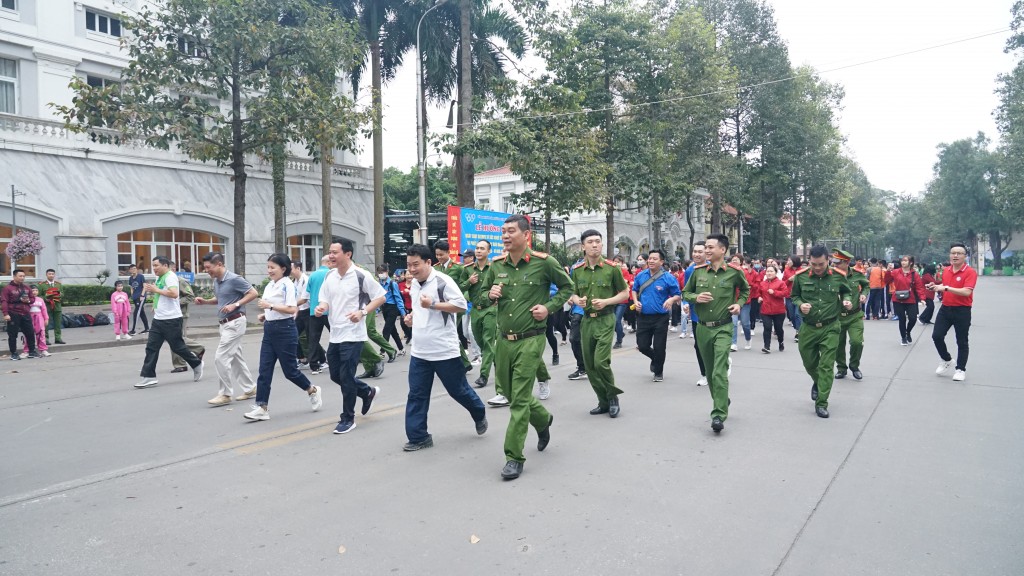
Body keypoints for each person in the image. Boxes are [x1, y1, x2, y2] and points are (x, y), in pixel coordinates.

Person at [484, 214, 572, 480]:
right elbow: (483, 295)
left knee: (520, 399)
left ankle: (513, 456)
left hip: (532, 339)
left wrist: (549, 307)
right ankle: (543, 420)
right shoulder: (496, 265)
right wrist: (490, 294)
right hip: (504, 341)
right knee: (510, 393)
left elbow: (568, 288)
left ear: (526, 235)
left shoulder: (544, 263)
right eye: (503, 232)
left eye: (511, 231)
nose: (505, 236)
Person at [401, 244, 488, 451]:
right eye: (408, 265)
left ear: (429, 262)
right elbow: (419, 308)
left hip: (444, 350)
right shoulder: (414, 284)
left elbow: (459, 305)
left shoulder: (443, 281)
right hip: (420, 351)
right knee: (416, 394)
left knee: (458, 390)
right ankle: (419, 436)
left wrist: (433, 304)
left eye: (416, 265)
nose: (411, 270)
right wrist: (412, 317)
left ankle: (478, 411)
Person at [314, 237, 387, 435]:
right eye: (330, 252)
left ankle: (348, 418)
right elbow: (325, 299)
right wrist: (322, 307)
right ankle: (366, 391)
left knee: (346, 377)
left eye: (335, 252)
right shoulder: (330, 276)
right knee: (336, 375)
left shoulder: (360, 275)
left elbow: (380, 296)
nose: (331, 255)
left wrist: (362, 312)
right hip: (335, 334)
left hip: (354, 335)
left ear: (348, 254)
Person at [243, 254, 322, 422]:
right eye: (268, 267)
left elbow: (292, 309)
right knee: (264, 370)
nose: (269, 270)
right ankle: (261, 407)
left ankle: (312, 389)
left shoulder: (287, 285)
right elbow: (274, 307)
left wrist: (270, 306)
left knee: (290, 372)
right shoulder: (270, 285)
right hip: (270, 329)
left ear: (283, 269)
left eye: (273, 267)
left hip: (285, 330)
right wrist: (266, 315)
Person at [682, 234, 749, 433]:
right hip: (702, 327)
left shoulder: (735, 272)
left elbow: (746, 290)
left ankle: (718, 414)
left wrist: (739, 304)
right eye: (706, 247)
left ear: (723, 250)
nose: (707, 251)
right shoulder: (698, 272)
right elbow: (685, 293)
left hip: (723, 327)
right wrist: (695, 297)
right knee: (711, 372)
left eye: (711, 247)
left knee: (719, 370)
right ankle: (722, 398)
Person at [569, 229, 630, 418]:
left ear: (602, 245)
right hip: (587, 320)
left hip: (606, 318)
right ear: (583, 246)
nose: (595, 245)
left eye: (598, 241)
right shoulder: (577, 270)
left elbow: (624, 293)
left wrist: (606, 302)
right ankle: (603, 401)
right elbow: (570, 293)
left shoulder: (612, 268)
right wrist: (576, 299)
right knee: (589, 365)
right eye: (590, 242)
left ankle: (613, 397)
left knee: (600, 362)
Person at [790, 245, 853, 419]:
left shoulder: (838, 277)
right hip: (808, 328)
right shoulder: (801, 277)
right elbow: (794, 296)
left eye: (821, 264)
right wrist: (800, 304)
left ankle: (822, 403)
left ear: (828, 261)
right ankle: (818, 382)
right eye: (814, 264)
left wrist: (847, 301)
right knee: (810, 363)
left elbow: (847, 292)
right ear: (809, 261)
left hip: (830, 327)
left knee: (826, 366)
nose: (817, 268)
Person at [195, 252, 259, 405]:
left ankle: (225, 394)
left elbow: (253, 293)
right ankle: (250, 388)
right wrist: (205, 301)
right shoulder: (217, 281)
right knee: (236, 358)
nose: (206, 270)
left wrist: (235, 305)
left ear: (219, 264)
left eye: (208, 267)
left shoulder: (234, 279)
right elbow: (220, 299)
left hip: (235, 322)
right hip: (224, 324)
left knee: (220, 357)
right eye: (205, 268)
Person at [133, 256, 204, 389]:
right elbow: (158, 294)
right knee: (151, 347)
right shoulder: (159, 277)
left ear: (165, 265)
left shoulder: (170, 276)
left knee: (177, 347)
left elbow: (174, 293)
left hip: (171, 319)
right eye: (153, 266)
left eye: (156, 266)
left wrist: (156, 290)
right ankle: (149, 376)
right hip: (159, 319)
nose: (154, 268)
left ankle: (196, 364)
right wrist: (155, 305)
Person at [929, 244, 976, 382]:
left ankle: (960, 369)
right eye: (953, 253)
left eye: (959, 253)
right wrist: (935, 286)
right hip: (945, 309)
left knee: (961, 341)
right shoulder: (947, 270)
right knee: (936, 336)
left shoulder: (970, 272)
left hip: (962, 310)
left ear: (965, 256)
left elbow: (967, 291)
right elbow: (944, 287)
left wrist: (946, 288)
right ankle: (946, 359)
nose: (955, 256)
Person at [633, 249, 682, 382]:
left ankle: (658, 371)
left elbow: (678, 294)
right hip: (643, 316)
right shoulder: (641, 275)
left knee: (660, 346)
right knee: (642, 345)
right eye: (649, 258)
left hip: (661, 318)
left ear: (661, 262)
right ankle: (655, 359)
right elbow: (634, 290)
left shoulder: (668, 278)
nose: (651, 261)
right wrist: (636, 301)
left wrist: (671, 300)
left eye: (655, 259)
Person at [832, 250, 869, 380]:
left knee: (857, 342)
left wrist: (864, 293)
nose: (834, 264)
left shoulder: (857, 274)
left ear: (846, 262)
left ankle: (854, 366)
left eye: (837, 262)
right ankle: (841, 368)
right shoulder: (831, 275)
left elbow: (866, 285)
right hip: (837, 316)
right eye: (833, 262)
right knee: (838, 345)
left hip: (855, 315)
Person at [466, 240, 497, 388]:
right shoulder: (467, 269)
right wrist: (468, 282)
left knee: (488, 340)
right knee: (479, 341)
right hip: (475, 310)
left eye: (482, 248)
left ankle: (483, 375)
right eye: (477, 248)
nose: (478, 251)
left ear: (488, 251)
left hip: (491, 309)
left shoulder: (495, 268)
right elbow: (458, 287)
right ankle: (498, 361)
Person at [169, 261, 206, 374]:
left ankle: (195, 351)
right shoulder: (165, 281)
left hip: (181, 314)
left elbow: (190, 296)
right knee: (174, 339)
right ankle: (182, 362)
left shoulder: (180, 281)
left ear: (173, 269)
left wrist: (176, 302)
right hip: (169, 314)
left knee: (177, 338)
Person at [885, 255, 927, 345]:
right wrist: (888, 271)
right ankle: (903, 337)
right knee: (902, 319)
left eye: (905, 261)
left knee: (913, 318)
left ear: (910, 262)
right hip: (897, 299)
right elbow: (887, 280)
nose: (903, 262)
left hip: (910, 299)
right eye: (902, 261)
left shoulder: (914, 274)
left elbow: (919, 287)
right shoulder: (896, 272)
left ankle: (908, 332)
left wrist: (922, 298)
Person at [303, 255, 333, 374]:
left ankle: (314, 365)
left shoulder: (312, 275)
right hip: (329, 310)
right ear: (328, 262)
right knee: (336, 336)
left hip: (314, 311)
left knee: (313, 339)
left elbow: (308, 292)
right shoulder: (331, 274)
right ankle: (336, 359)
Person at [684, 242, 709, 385]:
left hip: (714, 313)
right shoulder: (690, 271)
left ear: (707, 253)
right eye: (695, 251)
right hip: (696, 314)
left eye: (700, 251)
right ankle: (704, 373)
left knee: (713, 344)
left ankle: (718, 366)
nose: (697, 254)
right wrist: (686, 304)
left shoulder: (715, 268)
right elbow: (687, 292)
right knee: (699, 345)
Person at [3, 269, 40, 360]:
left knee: (30, 333)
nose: (22, 278)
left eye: (23, 276)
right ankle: (14, 353)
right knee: (12, 334)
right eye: (20, 276)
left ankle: (32, 351)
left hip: (25, 313)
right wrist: (6, 314)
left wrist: (28, 301)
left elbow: (32, 299)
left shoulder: (27, 288)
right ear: (14, 276)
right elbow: (4, 301)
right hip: (13, 313)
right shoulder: (7, 288)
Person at [376, 263, 408, 356]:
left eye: (383, 272)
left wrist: (403, 312)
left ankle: (383, 351)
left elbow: (398, 299)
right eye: (379, 272)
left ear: (387, 272)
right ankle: (401, 349)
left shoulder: (392, 284)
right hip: (384, 307)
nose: (381, 274)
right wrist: (377, 309)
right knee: (392, 330)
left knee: (386, 330)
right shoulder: (380, 284)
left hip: (392, 308)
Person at [757, 264, 788, 353]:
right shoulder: (762, 283)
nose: (769, 273)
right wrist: (759, 297)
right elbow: (759, 293)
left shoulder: (781, 283)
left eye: (771, 271)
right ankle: (767, 346)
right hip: (765, 310)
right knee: (767, 328)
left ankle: (781, 342)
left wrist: (774, 292)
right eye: (768, 271)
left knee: (778, 329)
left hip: (778, 310)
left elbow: (785, 293)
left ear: (775, 272)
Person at [290, 260, 310, 364]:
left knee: (310, 337)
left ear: (298, 268)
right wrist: (294, 312)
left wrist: (289, 307)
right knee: (293, 335)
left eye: (291, 268)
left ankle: (322, 358)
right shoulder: (295, 281)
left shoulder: (305, 280)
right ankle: (302, 358)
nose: (289, 271)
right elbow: (297, 299)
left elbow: (303, 300)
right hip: (300, 311)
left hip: (308, 311)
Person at [23, 285, 50, 357]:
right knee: (28, 333)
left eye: (36, 290)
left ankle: (43, 349)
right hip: (29, 317)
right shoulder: (26, 299)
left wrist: (46, 319)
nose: (34, 292)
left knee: (41, 333)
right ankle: (27, 350)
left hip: (39, 317)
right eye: (33, 291)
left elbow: (44, 310)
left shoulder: (40, 300)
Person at [42, 269, 65, 345]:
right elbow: (38, 296)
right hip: (47, 306)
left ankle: (58, 338)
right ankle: (45, 339)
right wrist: (46, 298)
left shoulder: (58, 284)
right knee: (46, 323)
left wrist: (59, 295)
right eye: (49, 274)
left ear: (54, 275)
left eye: (52, 274)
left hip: (57, 306)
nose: (51, 275)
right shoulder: (42, 285)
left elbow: (62, 294)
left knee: (58, 323)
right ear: (46, 275)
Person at [127, 264, 150, 335]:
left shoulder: (141, 276)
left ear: (136, 269)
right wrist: (132, 295)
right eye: (132, 269)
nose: (133, 270)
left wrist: (142, 295)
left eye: (134, 268)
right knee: (141, 313)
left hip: (141, 297)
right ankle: (147, 328)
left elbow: (144, 286)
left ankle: (133, 330)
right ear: (130, 270)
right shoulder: (130, 278)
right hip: (135, 297)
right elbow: (131, 288)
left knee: (136, 313)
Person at [398, 269, 414, 344]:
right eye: (408, 274)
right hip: (404, 307)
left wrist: (410, 292)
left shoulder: (415, 284)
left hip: (413, 307)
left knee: (413, 323)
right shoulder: (400, 285)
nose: (410, 276)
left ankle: (412, 338)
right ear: (404, 276)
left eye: (411, 274)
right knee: (403, 323)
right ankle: (409, 335)